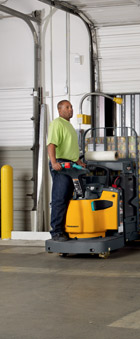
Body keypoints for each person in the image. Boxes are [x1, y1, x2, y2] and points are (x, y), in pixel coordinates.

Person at [47, 100, 86, 242]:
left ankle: (67, 229)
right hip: (61, 165)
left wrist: (78, 162)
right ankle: (56, 232)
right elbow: (51, 144)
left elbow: (70, 148)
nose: (71, 110)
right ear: (59, 110)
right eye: (67, 107)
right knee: (59, 198)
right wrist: (54, 162)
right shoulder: (57, 123)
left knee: (70, 197)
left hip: (71, 165)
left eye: (71, 107)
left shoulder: (69, 125)